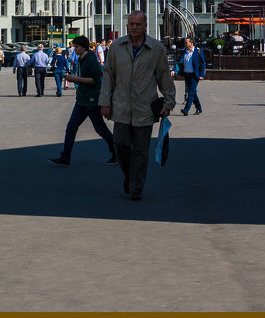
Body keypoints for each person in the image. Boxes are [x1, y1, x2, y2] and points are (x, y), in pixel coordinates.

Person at [98, 11, 175, 201]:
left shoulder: (155, 48)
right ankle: (129, 177)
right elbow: (108, 75)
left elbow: (164, 76)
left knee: (141, 151)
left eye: (138, 24)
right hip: (121, 106)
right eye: (131, 24)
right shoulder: (117, 46)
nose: (134, 27)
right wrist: (104, 102)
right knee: (121, 145)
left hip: (145, 108)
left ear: (145, 26)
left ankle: (136, 188)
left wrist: (168, 101)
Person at [49, 37, 117, 166]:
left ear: (84, 47)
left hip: (91, 100)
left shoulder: (90, 60)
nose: (75, 49)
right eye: (74, 46)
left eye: (77, 47)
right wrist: (76, 80)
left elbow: (95, 79)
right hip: (82, 100)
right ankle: (65, 157)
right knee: (71, 127)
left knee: (100, 128)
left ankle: (117, 152)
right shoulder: (81, 59)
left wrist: (76, 79)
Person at [174, 37, 206, 116]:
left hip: (194, 75)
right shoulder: (185, 51)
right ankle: (199, 108)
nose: (185, 44)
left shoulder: (198, 51)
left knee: (190, 92)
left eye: (186, 42)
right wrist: (174, 70)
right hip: (187, 74)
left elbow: (203, 64)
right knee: (193, 92)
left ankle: (186, 109)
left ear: (191, 43)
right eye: (185, 42)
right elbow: (179, 61)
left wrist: (201, 75)